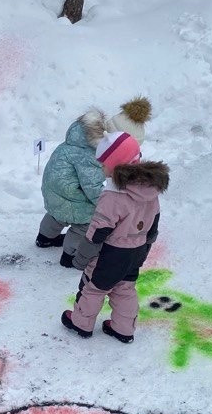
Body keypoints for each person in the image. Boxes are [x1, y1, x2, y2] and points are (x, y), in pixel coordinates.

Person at [62, 133, 169, 344]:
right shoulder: (150, 189)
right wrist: (145, 248)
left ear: (116, 165)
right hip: (136, 250)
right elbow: (154, 222)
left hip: (111, 253)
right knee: (124, 287)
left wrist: (82, 256)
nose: (102, 168)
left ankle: (81, 323)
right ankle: (123, 328)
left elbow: (98, 230)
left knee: (93, 287)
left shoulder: (113, 195)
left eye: (104, 164)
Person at [37, 98, 151, 269]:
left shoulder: (82, 137)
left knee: (57, 213)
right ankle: (71, 254)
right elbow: (94, 189)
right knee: (87, 220)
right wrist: (110, 208)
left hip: (54, 189)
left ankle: (45, 237)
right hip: (68, 194)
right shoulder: (92, 154)